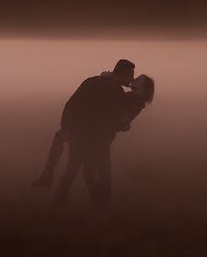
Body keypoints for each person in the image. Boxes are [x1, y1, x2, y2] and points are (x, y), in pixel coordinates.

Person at [32, 59, 154, 203]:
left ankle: (92, 204)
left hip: (96, 138)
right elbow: (77, 105)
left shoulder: (125, 95)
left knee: (83, 172)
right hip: (90, 136)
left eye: (137, 79)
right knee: (85, 172)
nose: (133, 79)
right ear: (123, 74)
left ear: (142, 87)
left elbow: (118, 116)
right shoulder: (114, 91)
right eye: (132, 75)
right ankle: (98, 205)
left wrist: (123, 123)